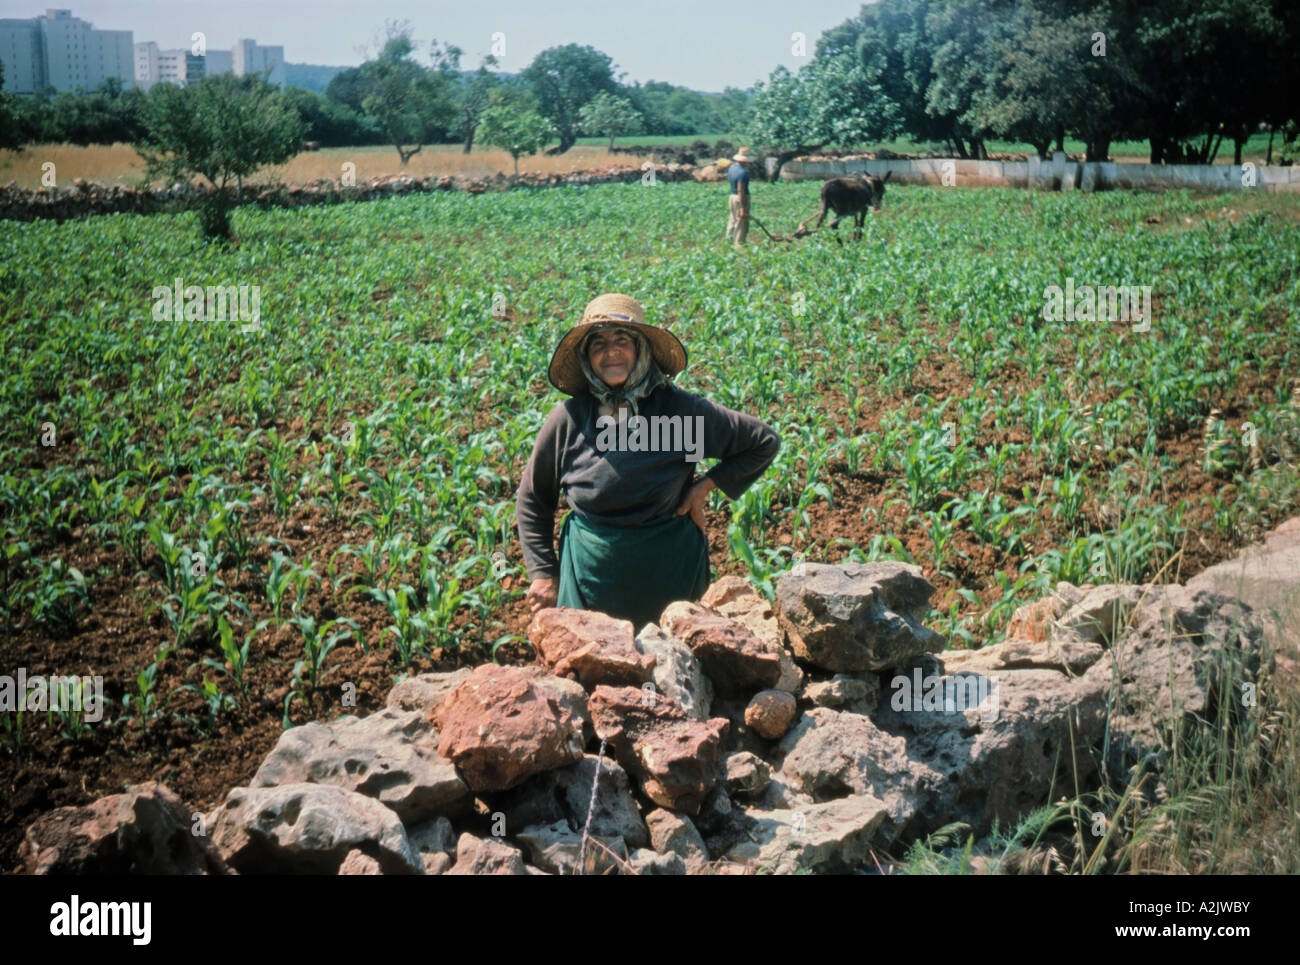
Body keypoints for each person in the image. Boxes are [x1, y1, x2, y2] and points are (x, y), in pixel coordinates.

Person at [516, 292, 780, 631]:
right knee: (591, 671)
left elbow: (762, 442)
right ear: (586, 357)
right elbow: (533, 499)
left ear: (641, 348)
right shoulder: (568, 420)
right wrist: (542, 574)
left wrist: (703, 487)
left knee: (680, 670)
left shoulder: (680, 412)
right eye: (598, 343)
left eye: (622, 339)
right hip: (590, 578)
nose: (610, 351)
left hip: (670, 575)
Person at [725, 147, 752, 247]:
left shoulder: (732, 168)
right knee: (741, 220)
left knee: (733, 218)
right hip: (740, 198)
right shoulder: (742, 173)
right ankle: (739, 244)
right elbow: (740, 190)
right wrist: (742, 208)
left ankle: (728, 241)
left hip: (732, 196)